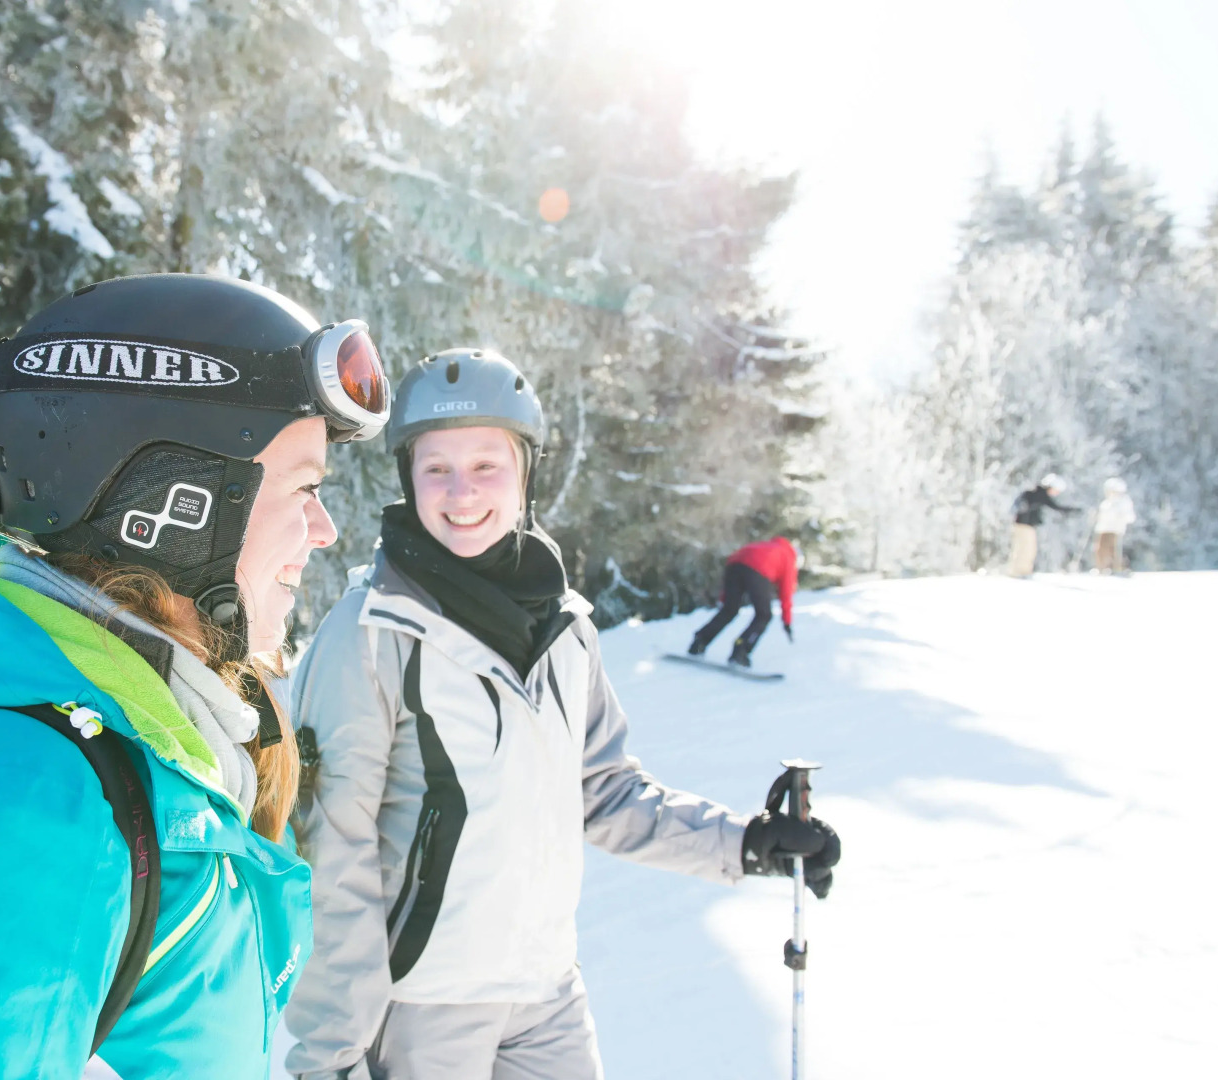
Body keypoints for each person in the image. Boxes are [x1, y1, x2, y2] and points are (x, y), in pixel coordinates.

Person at [0, 275, 390, 1079]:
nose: (324, 530)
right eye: (302, 488)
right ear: (178, 501)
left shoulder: (119, 755)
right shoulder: (17, 800)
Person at [281, 349, 841, 1080]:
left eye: (486, 465)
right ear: (406, 478)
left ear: (526, 473)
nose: (460, 492)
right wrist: (329, 1057)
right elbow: (333, 854)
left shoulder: (565, 628)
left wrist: (746, 844)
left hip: (544, 999)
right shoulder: (370, 632)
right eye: (435, 468)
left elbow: (603, 793)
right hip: (422, 1010)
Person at [686, 537, 800, 668]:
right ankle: (740, 651)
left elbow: (738, 560)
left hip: (734, 565)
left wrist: (725, 600)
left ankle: (700, 642)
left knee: (730, 610)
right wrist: (787, 622)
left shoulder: (764, 545)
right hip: (757, 570)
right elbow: (786, 593)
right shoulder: (788, 556)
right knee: (764, 615)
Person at [1008, 473, 1079, 578]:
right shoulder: (1040, 494)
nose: (1056, 493)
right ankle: (1020, 571)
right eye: (1057, 490)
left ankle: (1020, 571)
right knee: (1026, 548)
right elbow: (1055, 507)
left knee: (1024, 548)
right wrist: (1072, 510)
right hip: (1025, 525)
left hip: (1023, 524)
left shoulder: (1034, 492)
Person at [1093, 477, 1136, 574]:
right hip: (1103, 529)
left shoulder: (1124, 501)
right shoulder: (1106, 502)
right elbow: (1102, 515)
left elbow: (1130, 517)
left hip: (1115, 529)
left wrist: (1121, 516)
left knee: (1113, 549)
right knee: (1100, 549)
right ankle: (1101, 568)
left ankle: (1117, 568)